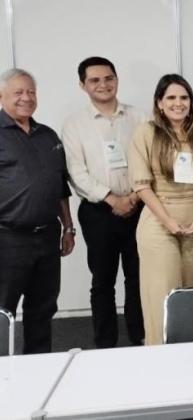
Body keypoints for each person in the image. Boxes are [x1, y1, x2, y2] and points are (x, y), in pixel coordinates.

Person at [128, 74, 193, 345]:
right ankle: (159, 356)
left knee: (192, 296)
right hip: (159, 222)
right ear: (159, 103)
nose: (178, 103)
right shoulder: (146, 133)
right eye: (171, 97)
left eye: (184, 98)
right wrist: (168, 221)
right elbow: (142, 185)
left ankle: (190, 358)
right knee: (162, 296)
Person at [61, 56, 146, 347]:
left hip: (138, 207)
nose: (103, 84)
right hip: (98, 212)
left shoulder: (139, 117)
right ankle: (105, 345)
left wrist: (134, 196)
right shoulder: (74, 124)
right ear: (83, 85)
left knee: (137, 280)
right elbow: (76, 172)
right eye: (95, 80)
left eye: (108, 78)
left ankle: (140, 340)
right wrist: (112, 199)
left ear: (117, 80)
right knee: (102, 283)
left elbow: (151, 160)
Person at [0, 68, 75, 354]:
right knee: (3, 311)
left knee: (42, 309)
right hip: (7, 239)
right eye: (18, 92)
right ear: (1, 95)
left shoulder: (47, 135)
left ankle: (38, 368)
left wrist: (67, 227)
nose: (26, 98)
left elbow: (60, 187)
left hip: (46, 237)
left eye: (31, 91)